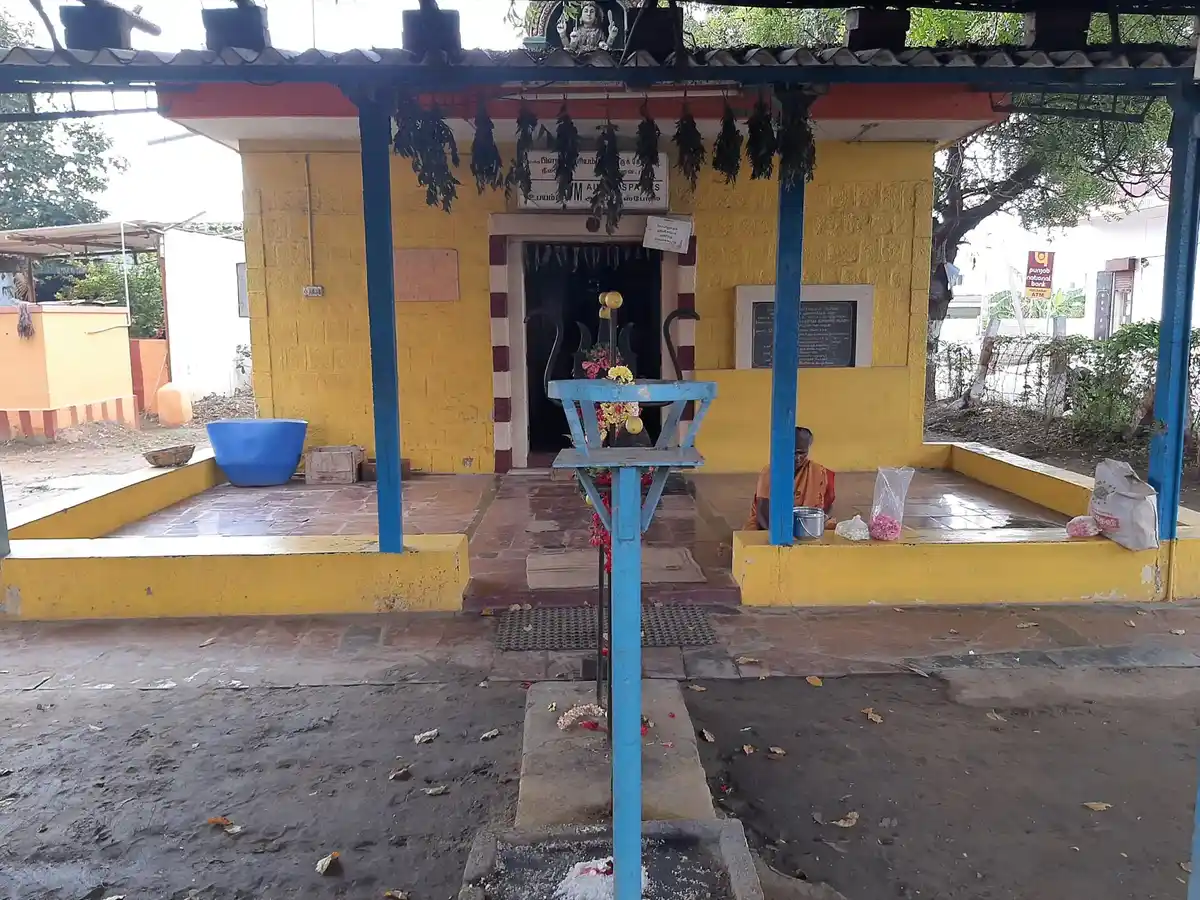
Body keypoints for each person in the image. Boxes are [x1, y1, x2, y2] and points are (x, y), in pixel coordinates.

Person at [746, 426, 836, 531]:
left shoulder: (817, 471)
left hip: (806, 524)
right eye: (793, 452)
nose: (797, 458)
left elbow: (825, 506)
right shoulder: (770, 471)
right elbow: (763, 513)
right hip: (771, 525)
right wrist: (782, 534)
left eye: (802, 453)